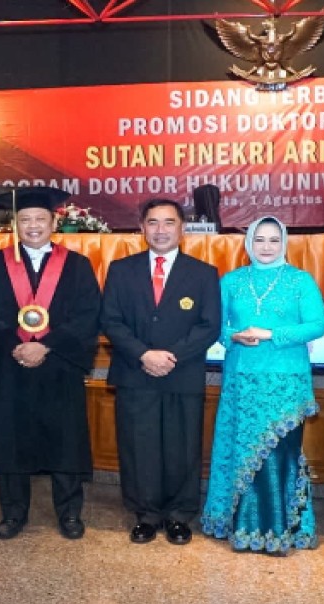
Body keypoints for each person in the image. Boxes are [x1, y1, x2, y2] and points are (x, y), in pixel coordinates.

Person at [0, 187, 101, 541]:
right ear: (15, 224)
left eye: (40, 219)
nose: (32, 226)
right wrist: (16, 346)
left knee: (66, 439)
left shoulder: (77, 265)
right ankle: (13, 513)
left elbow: (88, 315)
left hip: (58, 365)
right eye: (25, 220)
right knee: (10, 438)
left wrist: (47, 346)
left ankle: (70, 512)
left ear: (54, 222)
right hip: (9, 366)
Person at [199, 215, 324, 554]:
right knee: (239, 450)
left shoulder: (300, 280)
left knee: (279, 454)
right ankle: (239, 524)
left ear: (283, 243)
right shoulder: (232, 281)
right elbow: (215, 325)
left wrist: (272, 334)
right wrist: (233, 336)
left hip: (286, 382)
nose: (266, 247)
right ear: (248, 243)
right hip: (242, 380)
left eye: (273, 240)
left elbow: (317, 326)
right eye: (259, 240)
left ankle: (281, 529)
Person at [103, 198, 221, 545]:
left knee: (182, 446)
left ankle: (179, 515)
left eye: (169, 223)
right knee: (139, 445)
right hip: (134, 372)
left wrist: (169, 356)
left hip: (181, 373)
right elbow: (110, 321)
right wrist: (143, 354)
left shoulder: (202, 273)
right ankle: (146, 513)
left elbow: (209, 326)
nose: (161, 230)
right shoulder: (121, 270)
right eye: (152, 223)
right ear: (141, 229)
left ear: (182, 229)